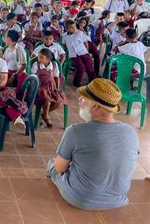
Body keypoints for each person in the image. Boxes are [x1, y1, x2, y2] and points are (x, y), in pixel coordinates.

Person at [46, 78, 139, 210]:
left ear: (95, 106)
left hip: (81, 198)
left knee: (52, 164)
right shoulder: (131, 132)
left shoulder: (75, 131)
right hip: (118, 198)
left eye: (83, 98)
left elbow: (60, 169)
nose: (79, 100)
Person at [32, 48, 67, 129]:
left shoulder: (54, 65)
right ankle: (47, 118)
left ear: (48, 59)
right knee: (47, 100)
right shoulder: (36, 65)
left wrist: (57, 88)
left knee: (59, 102)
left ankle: (44, 114)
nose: (39, 59)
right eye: (38, 57)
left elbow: (56, 77)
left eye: (41, 57)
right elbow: (33, 76)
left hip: (52, 87)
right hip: (41, 87)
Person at [61, 20, 96, 87]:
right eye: (71, 27)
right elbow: (64, 46)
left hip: (83, 52)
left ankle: (92, 81)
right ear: (67, 28)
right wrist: (66, 55)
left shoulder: (79, 33)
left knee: (89, 66)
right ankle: (76, 82)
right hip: (73, 55)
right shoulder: (64, 36)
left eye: (75, 27)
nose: (74, 29)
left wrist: (87, 51)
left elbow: (85, 42)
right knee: (81, 68)